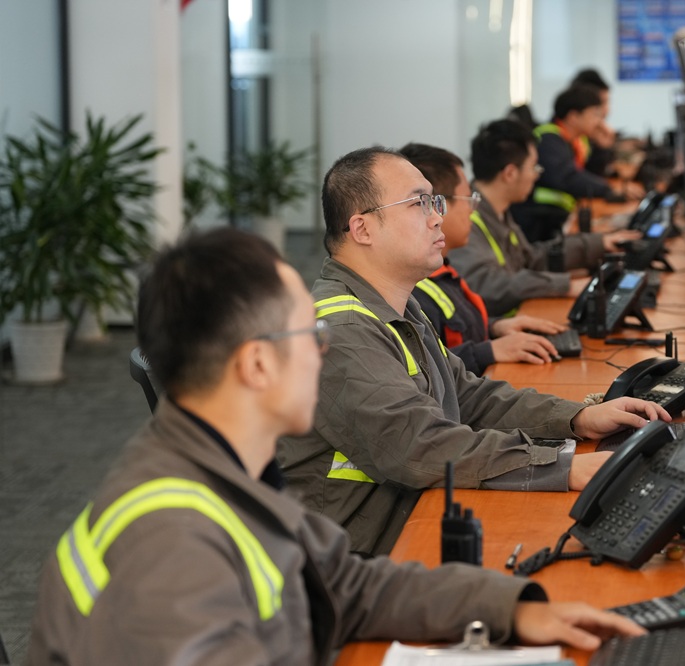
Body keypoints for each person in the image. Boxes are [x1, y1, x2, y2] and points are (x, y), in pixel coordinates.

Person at [25, 228, 645, 665]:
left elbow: (347, 586)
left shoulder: (228, 472)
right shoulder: (169, 544)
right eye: (309, 334)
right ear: (257, 365)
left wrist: (515, 609)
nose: (324, 351)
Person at [277, 147, 671, 556]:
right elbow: (419, 446)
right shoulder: (342, 331)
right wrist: (563, 467)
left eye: (435, 201)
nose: (437, 217)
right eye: (417, 203)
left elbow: (467, 396)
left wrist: (578, 418)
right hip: (354, 560)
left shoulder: (391, 305)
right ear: (362, 229)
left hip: (404, 523)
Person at [399, 142, 565, 374]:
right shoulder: (409, 290)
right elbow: (426, 371)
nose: (472, 211)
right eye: (468, 199)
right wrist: (487, 351)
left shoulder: (439, 271)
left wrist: (494, 327)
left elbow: (453, 333)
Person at [449, 119, 638, 317]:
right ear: (510, 173)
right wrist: (565, 286)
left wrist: (598, 244)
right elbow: (488, 285)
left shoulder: (497, 211)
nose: (536, 175)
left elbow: (531, 259)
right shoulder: (467, 220)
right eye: (534, 167)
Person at [511, 84, 646, 243]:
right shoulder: (549, 140)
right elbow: (568, 178)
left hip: (555, 219)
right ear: (574, 116)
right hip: (539, 226)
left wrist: (602, 148)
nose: (600, 122)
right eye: (595, 115)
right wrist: (610, 189)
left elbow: (589, 174)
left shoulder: (572, 141)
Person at [570, 68, 616, 177]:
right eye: (601, 104)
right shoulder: (557, 140)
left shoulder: (584, 137)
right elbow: (574, 179)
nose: (607, 111)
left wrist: (602, 148)